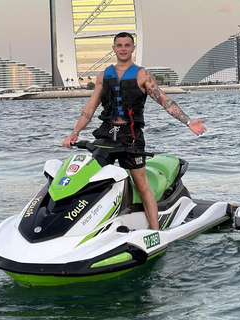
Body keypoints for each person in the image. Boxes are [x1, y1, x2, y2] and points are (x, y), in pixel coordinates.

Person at [62, 32, 207, 230]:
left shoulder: (142, 75)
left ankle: (155, 231)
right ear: (113, 48)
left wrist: (188, 121)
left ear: (133, 48)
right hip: (106, 134)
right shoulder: (104, 75)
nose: (123, 48)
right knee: (92, 180)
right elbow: (90, 107)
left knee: (141, 184)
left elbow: (164, 100)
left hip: (130, 136)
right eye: (119, 45)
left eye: (127, 45)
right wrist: (75, 132)